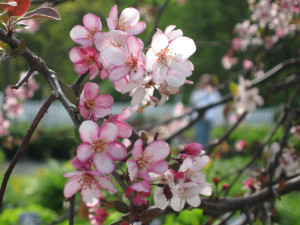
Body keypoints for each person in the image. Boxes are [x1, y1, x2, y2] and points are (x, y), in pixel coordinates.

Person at [190, 74, 221, 145]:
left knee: (206, 139)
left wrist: (212, 92)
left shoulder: (214, 92)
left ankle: (205, 153)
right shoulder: (198, 92)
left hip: (208, 119)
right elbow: (194, 102)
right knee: (199, 138)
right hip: (199, 119)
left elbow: (215, 102)